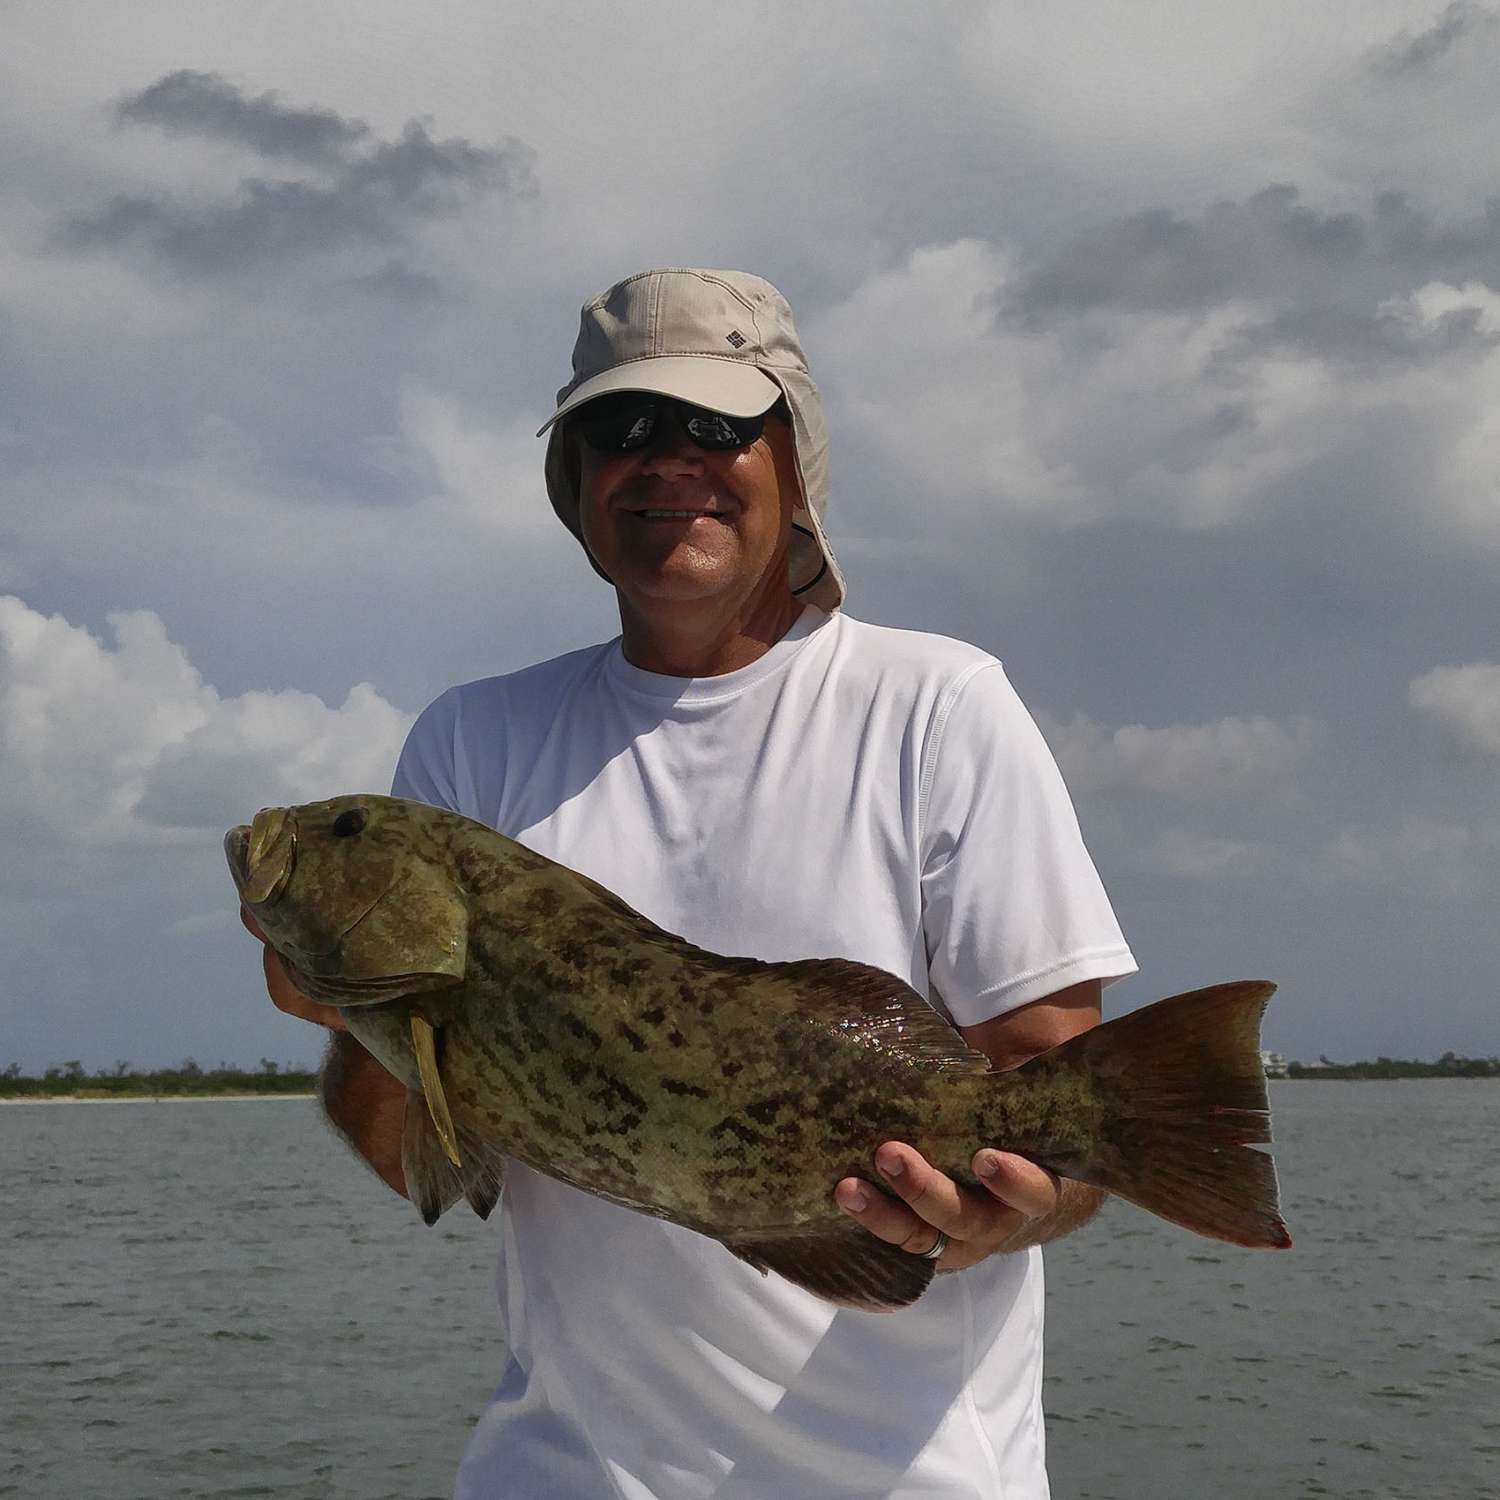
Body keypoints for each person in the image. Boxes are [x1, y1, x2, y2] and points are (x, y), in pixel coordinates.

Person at [248, 267, 1137, 1499]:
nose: (668, 459)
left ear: (794, 458)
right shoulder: (472, 743)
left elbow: (1061, 1110)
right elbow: (424, 1156)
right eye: (620, 429)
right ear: (575, 480)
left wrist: (1011, 1207)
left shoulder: (937, 706)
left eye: (718, 425)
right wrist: (359, 1009)